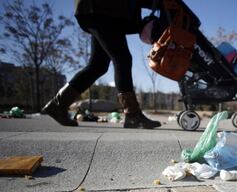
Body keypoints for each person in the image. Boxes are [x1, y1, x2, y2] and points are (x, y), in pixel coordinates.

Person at [42, 0, 161, 129]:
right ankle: (132, 114)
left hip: (98, 10)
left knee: (98, 65)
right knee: (122, 59)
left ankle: (57, 105)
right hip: (104, 10)